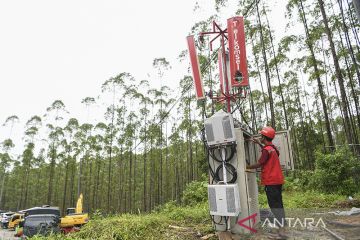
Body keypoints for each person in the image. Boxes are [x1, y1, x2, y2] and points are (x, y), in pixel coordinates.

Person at [247, 126, 287, 239]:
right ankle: (282, 227)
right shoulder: (273, 148)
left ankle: (282, 232)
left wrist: (246, 166)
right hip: (278, 181)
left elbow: (260, 163)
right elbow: (267, 150)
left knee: (274, 206)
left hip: (271, 182)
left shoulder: (266, 150)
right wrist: (259, 143)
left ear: (264, 137)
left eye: (261, 136)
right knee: (279, 204)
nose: (260, 136)